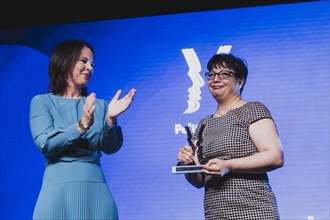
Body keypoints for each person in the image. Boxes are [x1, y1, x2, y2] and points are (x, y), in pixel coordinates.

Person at [29, 39, 136, 219]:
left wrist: (111, 119)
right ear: (65, 61)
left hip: (95, 189)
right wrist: (81, 125)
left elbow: (110, 148)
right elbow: (46, 143)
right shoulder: (42, 102)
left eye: (92, 64)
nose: (89, 67)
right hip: (57, 191)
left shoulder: (100, 105)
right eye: (84, 61)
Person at [177, 53, 284, 219]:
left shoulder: (252, 110)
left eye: (224, 74)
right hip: (215, 212)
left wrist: (228, 165)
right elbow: (199, 180)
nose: (215, 79)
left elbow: (275, 156)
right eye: (211, 74)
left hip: (254, 210)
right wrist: (188, 162)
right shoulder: (204, 123)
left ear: (240, 82)